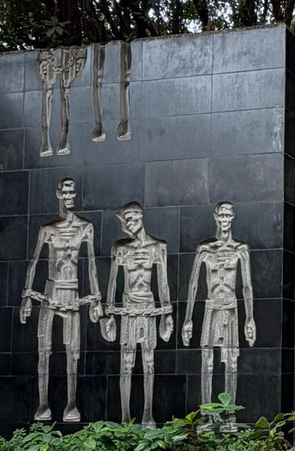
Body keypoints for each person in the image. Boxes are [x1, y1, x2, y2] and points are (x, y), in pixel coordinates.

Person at [19, 178, 102, 422]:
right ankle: (43, 403)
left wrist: (96, 299)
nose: (68, 196)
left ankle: (71, 403)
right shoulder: (48, 229)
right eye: (64, 191)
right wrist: (26, 296)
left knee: (72, 350)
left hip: (72, 290)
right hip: (51, 290)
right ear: (58, 194)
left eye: (72, 191)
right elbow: (34, 263)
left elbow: (92, 265)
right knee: (44, 349)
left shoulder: (85, 227)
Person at [182, 202, 256, 423]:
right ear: (215, 217)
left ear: (233, 217)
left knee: (231, 361)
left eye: (228, 215)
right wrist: (188, 319)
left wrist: (250, 318)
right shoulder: (205, 249)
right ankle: (207, 414)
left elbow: (247, 286)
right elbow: (193, 284)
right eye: (221, 215)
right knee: (207, 360)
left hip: (231, 307)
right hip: (212, 306)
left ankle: (229, 413)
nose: (224, 219)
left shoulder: (240, 249)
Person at [101, 203, 173, 428]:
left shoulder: (158, 247)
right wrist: (108, 314)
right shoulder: (121, 248)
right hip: (129, 307)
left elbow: (163, 283)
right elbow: (113, 283)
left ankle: (148, 415)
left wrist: (167, 313)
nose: (129, 224)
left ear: (140, 217)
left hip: (149, 307)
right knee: (126, 363)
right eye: (126, 221)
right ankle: (125, 417)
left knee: (149, 362)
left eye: (132, 219)